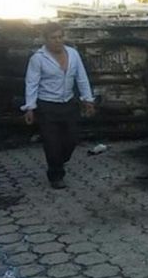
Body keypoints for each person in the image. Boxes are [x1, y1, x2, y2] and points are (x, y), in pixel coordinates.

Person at [22, 22, 94, 189]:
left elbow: (81, 78)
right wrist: (30, 107)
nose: (57, 41)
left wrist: (87, 99)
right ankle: (56, 175)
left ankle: (59, 160)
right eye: (53, 38)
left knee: (72, 138)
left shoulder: (73, 54)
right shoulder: (38, 59)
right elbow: (31, 83)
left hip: (68, 103)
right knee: (52, 142)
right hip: (47, 105)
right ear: (45, 40)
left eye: (60, 37)